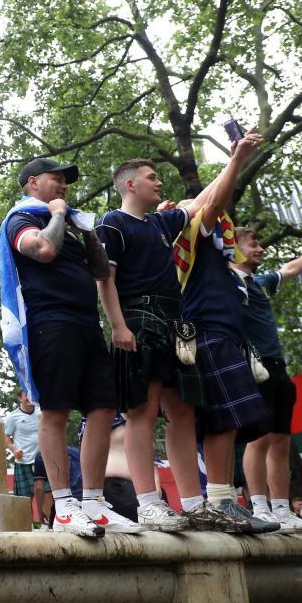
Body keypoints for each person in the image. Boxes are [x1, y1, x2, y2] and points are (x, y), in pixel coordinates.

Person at [3, 157, 140, 537]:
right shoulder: (22, 218)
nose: (63, 185)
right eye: (55, 179)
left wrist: (90, 232)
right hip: (51, 324)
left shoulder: (70, 226)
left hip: (86, 324)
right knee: (56, 410)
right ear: (33, 183)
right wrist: (60, 214)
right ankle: (64, 506)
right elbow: (43, 250)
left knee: (103, 408)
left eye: (65, 181)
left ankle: (94, 504)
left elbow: (100, 271)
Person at [94, 158, 218, 531]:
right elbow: (105, 278)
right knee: (141, 412)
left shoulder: (161, 223)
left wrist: (237, 158)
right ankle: (148, 503)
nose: (159, 182)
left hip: (174, 321)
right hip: (137, 318)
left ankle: (194, 505)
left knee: (183, 412)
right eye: (152, 177)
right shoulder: (112, 224)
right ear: (130, 185)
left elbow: (201, 203)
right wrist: (118, 326)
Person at [173, 131, 275, 534]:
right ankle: (219, 501)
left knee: (232, 420)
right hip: (208, 332)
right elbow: (213, 202)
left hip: (226, 333)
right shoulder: (186, 236)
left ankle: (224, 499)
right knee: (222, 420)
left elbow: (215, 201)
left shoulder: (216, 252)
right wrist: (237, 158)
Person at [235, 228, 302, 533]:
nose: (260, 248)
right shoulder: (228, 281)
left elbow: (290, 269)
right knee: (260, 439)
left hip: (278, 367)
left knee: (281, 439)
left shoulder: (261, 282)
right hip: (253, 368)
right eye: (252, 243)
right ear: (234, 248)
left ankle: (281, 508)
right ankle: (259, 506)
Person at [4, 389, 50, 524]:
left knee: (48, 493)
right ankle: (27, 528)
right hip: (23, 461)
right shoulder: (13, 417)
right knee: (25, 497)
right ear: (19, 398)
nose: (29, 398)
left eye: (31, 395)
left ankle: (50, 525)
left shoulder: (41, 412)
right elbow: (5, 437)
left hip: (42, 460)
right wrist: (13, 450)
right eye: (25, 395)